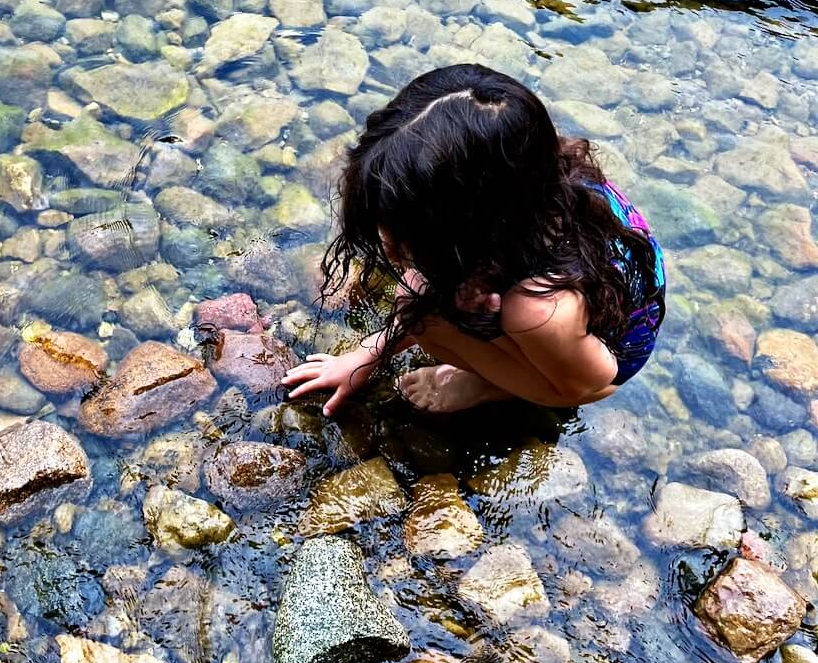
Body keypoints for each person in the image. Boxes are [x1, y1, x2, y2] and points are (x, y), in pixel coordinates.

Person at [282, 64, 666, 415]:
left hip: (601, 358)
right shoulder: (526, 169)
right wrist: (366, 356)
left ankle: (489, 387)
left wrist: (491, 350)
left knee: (421, 312)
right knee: (420, 294)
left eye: (401, 231)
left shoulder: (539, 308)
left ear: (468, 231)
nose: (387, 247)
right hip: (592, 278)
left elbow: (593, 382)